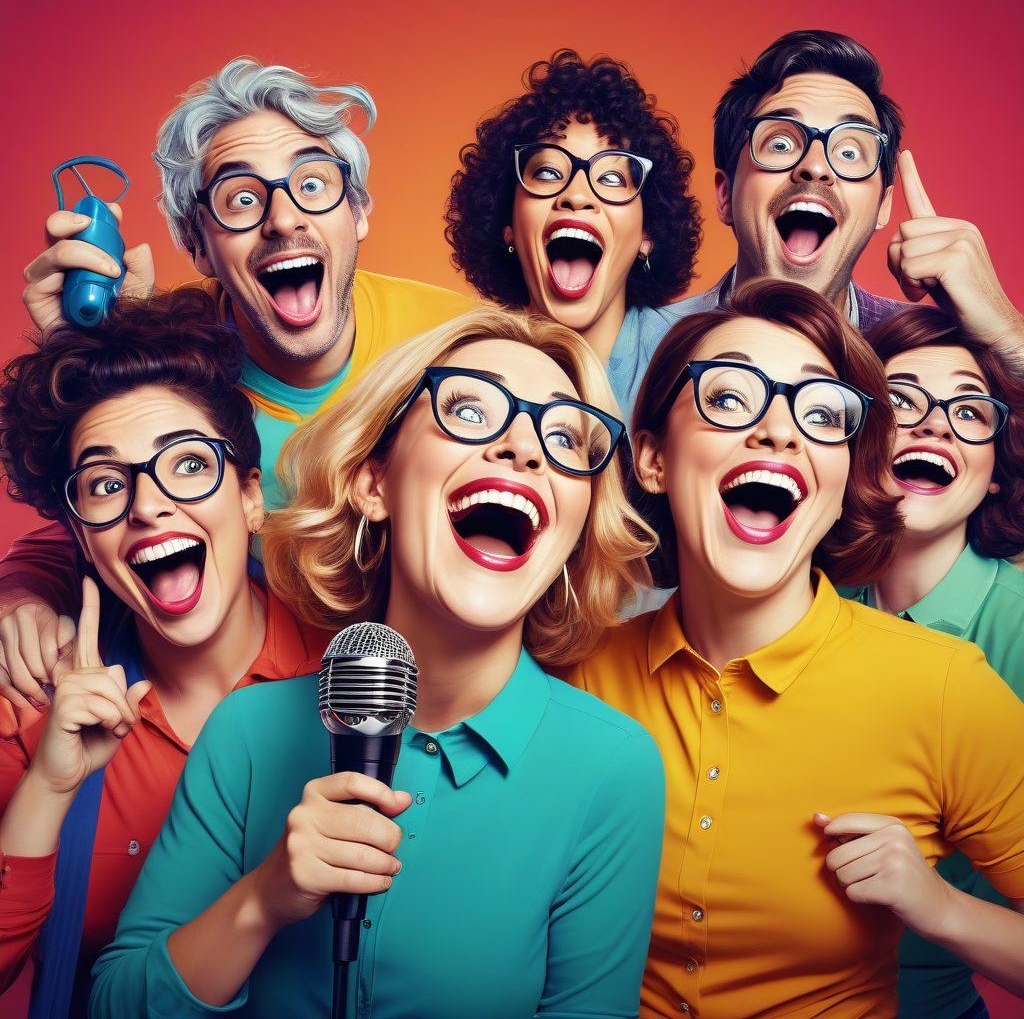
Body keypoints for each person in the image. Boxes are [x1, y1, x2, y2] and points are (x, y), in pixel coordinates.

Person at [89, 307, 665, 1018]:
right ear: (374, 482)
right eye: (469, 411)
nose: (524, 448)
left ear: (577, 522)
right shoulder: (248, 731)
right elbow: (113, 1004)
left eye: (564, 438)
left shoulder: (612, 769)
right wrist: (264, 898)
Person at [568, 279, 1024, 1018]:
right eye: (729, 397)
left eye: (820, 414)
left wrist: (943, 909)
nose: (780, 431)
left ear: (845, 478)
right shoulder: (577, 677)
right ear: (652, 459)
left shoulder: (943, 688)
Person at [3, 56, 474, 695]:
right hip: (267, 699)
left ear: (359, 210)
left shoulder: (459, 345)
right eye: (242, 199)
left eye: (313, 184)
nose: (282, 219)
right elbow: (113, 510)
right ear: (198, 246)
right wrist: (23, 589)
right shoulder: (180, 374)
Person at [0, 291, 327, 1015]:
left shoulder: (349, 681)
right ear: (81, 537)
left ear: (250, 499)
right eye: (107, 484)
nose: (147, 505)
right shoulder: (35, 702)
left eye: (187, 465)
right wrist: (49, 786)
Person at [846, 305, 1024, 1019]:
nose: (936, 425)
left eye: (969, 410)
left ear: (994, 472)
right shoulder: (810, 600)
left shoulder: (1016, 629)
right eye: (903, 402)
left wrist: (939, 905)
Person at [666, 30, 1023, 369]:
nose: (815, 166)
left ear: (883, 206)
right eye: (781, 144)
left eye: (849, 152)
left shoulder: (938, 361)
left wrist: (1009, 337)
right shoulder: (650, 345)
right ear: (726, 195)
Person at [445, 48, 701, 420]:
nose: (577, 196)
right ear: (507, 226)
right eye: (548, 173)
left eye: (611, 178)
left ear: (648, 235)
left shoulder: (694, 364)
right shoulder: (462, 371)